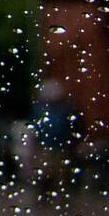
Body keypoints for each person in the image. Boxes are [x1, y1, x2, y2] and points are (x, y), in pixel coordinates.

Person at [31, 79, 78, 207]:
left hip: (59, 147)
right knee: (45, 174)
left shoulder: (63, 111)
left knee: (59, 175)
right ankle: (45, 198)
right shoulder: (41, 110)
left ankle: (59, 200)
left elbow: (69, 128)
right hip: (48, 146)